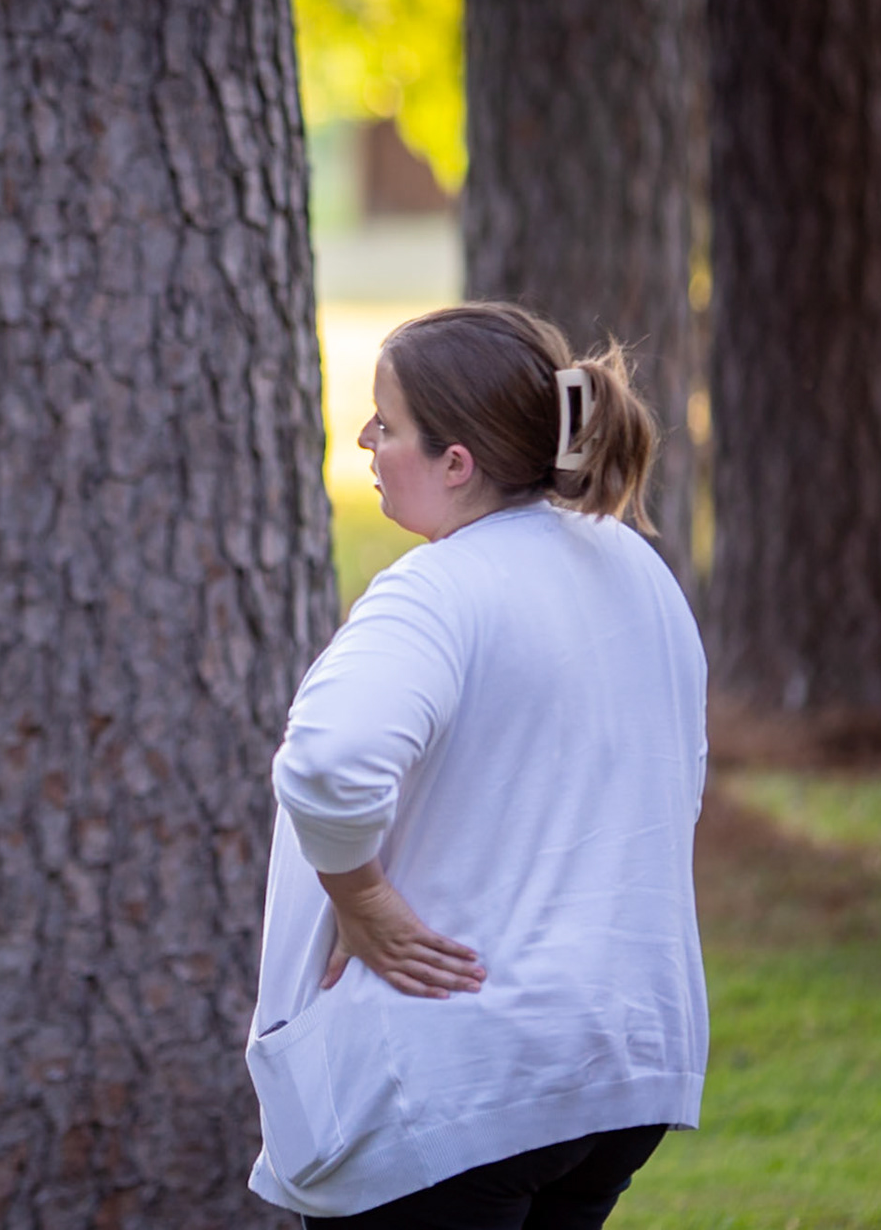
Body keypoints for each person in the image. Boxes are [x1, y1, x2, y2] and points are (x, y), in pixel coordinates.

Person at [245, 302, 708, 1227]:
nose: (367, 441)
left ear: (455, 463)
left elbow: (328, 762)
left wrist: (361, 898)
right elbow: (671, 783)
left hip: (460, 1084)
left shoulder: (437, 590)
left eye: (387, 426)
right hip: (618, 1069)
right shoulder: (635, 569)